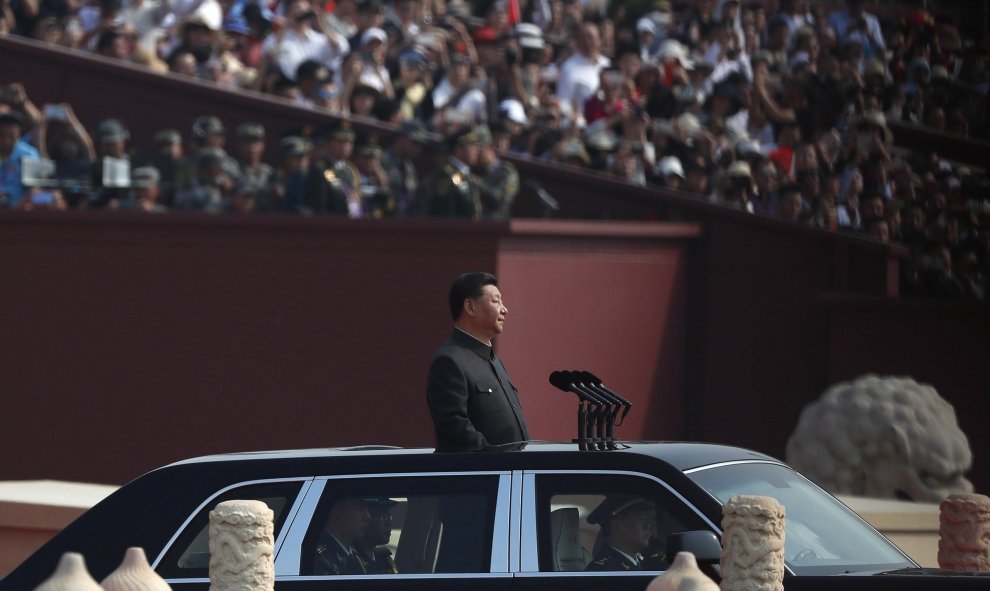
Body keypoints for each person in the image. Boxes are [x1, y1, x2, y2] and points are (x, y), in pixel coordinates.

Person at [426, 272, 529, 451]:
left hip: (510, 474)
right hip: (482, 475)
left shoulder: (493, 360)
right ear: (470, 307)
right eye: (496, 301)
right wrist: (494, 459)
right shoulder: (450, 361)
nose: (504, 309)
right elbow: (454, 427)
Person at [585, 495, 657, 571]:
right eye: (642, 519)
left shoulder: (643, 561)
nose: (648, 526)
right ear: (617, 526)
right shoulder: (603, 570)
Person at [312, 497, 372, 575]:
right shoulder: (319, 559)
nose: (368, 517)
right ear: (338, 513)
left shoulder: (358, 554)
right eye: (360, 509)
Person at [355, 497, 399, 574]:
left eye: (389, 516)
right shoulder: (351, 560)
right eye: (383, 517)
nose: (389, 523)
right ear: (365, 518)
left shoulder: (384, 560)